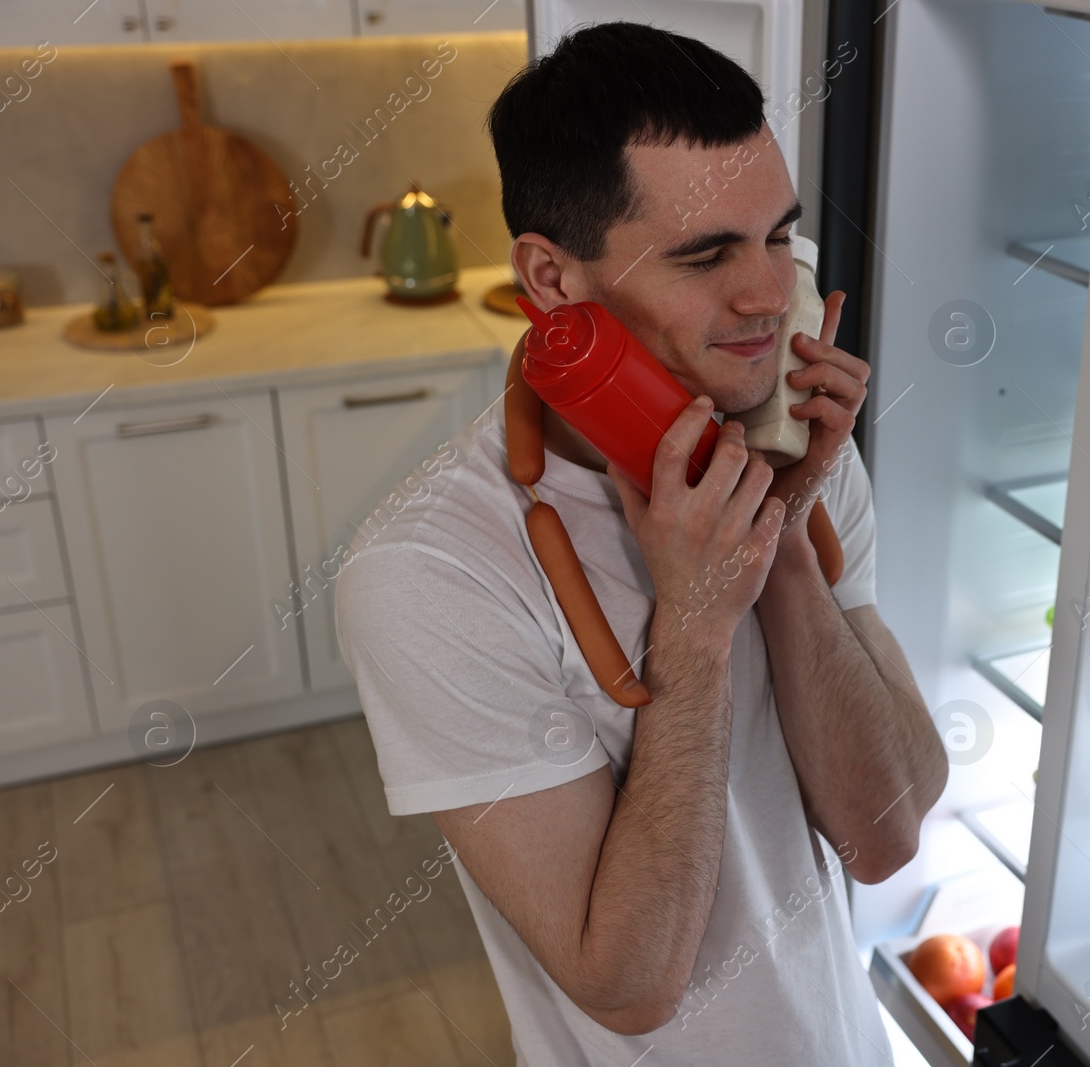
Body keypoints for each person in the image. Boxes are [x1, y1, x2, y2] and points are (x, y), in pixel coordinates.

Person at [334, 22, 947, 1066]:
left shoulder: (799, 448)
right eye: (706, 254)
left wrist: (783, 531)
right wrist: (697, 624)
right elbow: (629, 982)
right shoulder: (428, 572)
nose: (765, 296)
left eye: (777, 237)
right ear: (552, 278)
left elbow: (883, 835)